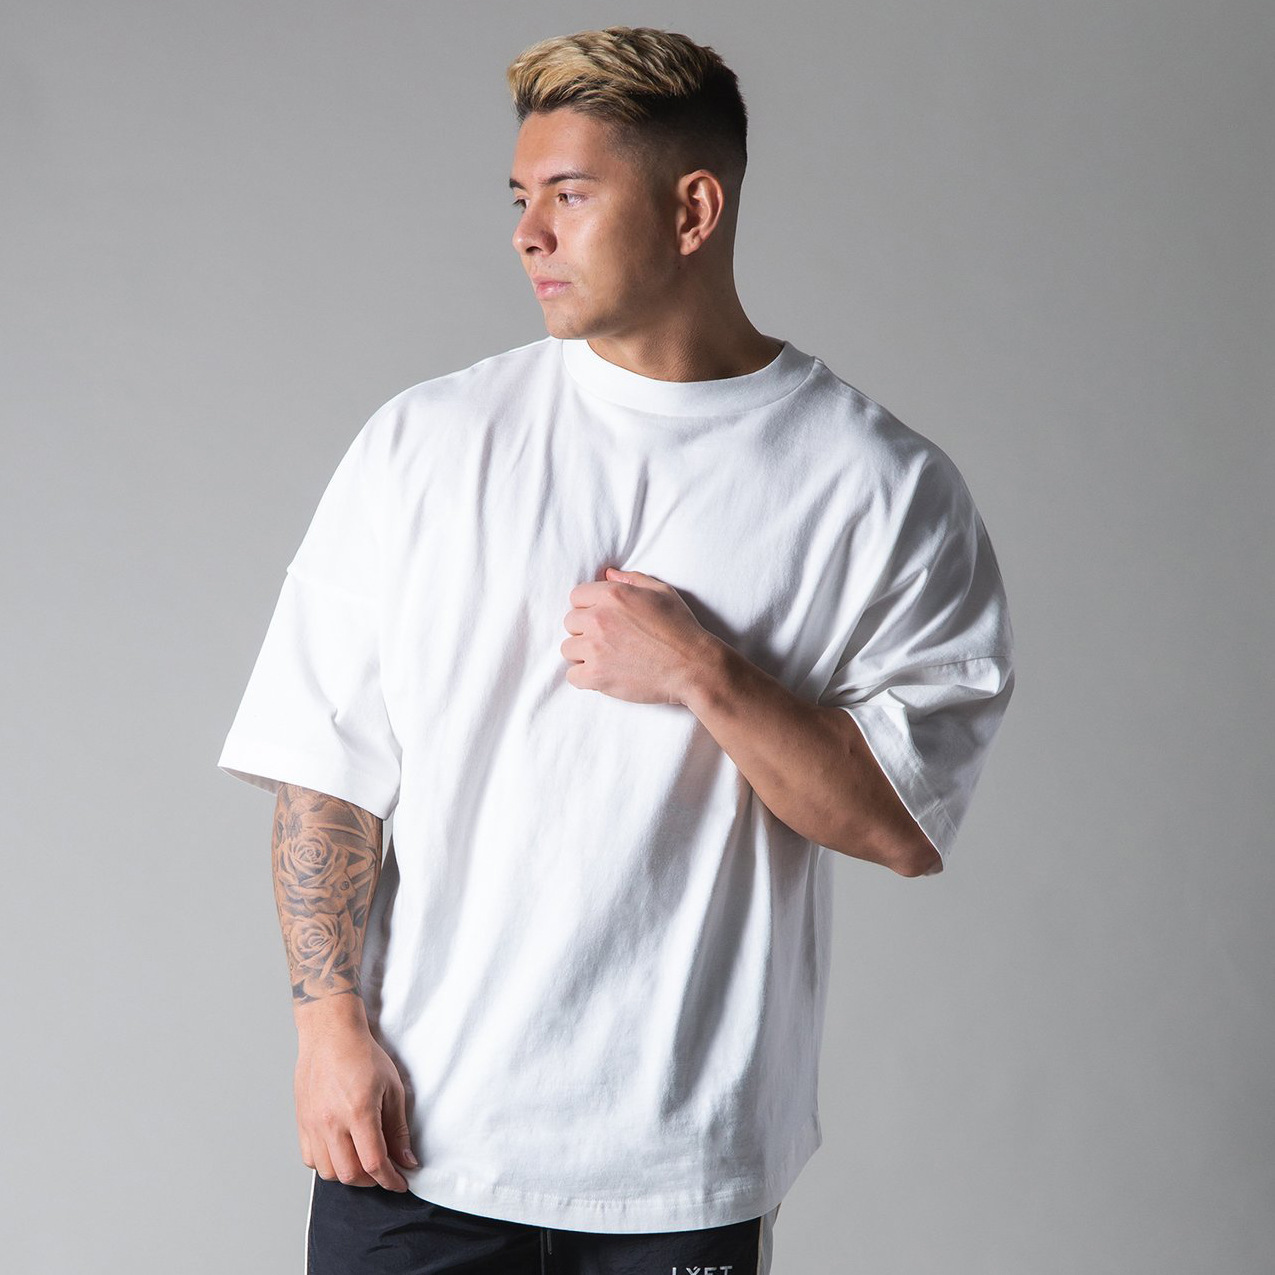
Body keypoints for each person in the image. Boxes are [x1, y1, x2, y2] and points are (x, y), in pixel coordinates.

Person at [217, 23, 1016, 1275]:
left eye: (571, 195)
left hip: (680, 1171)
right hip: (411, 1143)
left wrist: (705, 673)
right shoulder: (426, 443)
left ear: (693, 209)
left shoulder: (879, 487)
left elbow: (901, 824)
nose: (528, 234)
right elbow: (327, 769)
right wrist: (328, 1031)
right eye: (520, 198)